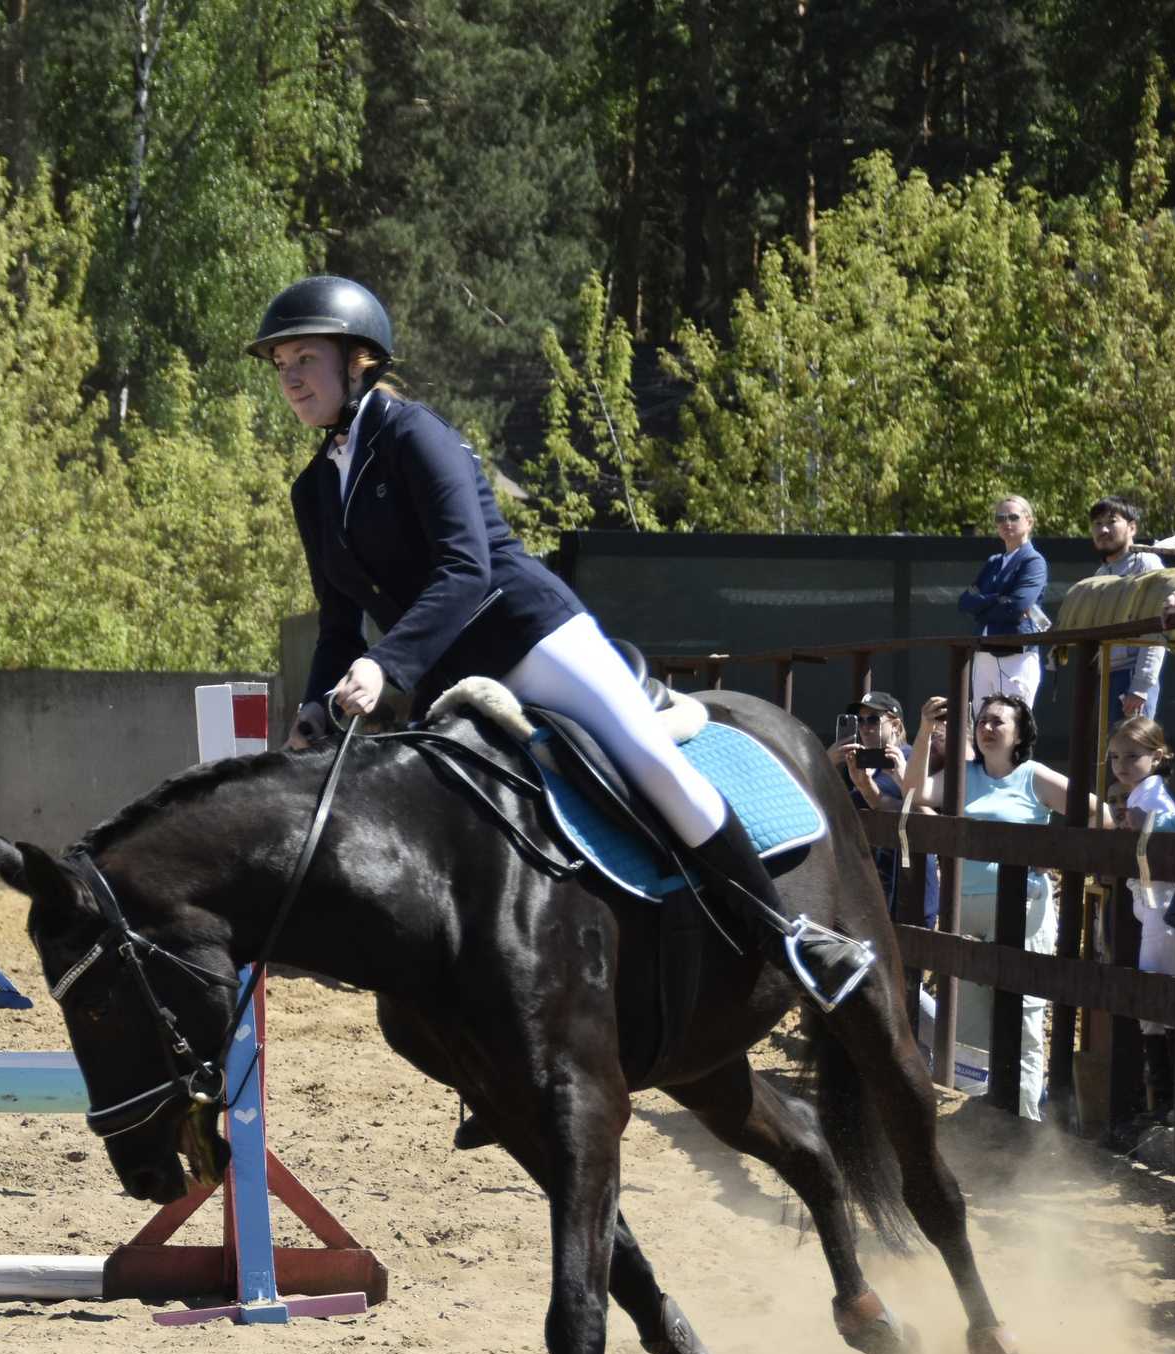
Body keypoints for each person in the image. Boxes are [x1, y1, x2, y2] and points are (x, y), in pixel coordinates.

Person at [255, 273, 873, 1007]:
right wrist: (315, 709)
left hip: (530, 637)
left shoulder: (413, 434)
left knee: (647, 759)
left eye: (305, 359)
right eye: (282, 365)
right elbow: (336, 625)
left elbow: (465, 565)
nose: (291, 378)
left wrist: (386, 663)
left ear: (358, 358)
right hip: (448, 677)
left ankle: (790, 934)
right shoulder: (313, 490)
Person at [902, 693, 1075, 1111]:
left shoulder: (1036, 777)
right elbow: (915, 791)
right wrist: (925, 730)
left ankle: (1026, 1127)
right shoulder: (963, 775)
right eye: (982, 720)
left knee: (1024, 1022)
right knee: (970, 1028)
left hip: (1023, 913)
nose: (987, 727)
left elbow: (1099, 814)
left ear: (1020, 734)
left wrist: (1049, 856)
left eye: (998, 721)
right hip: (964, 911)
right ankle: (985, 1125)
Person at [1103, 715, 1175, 1125]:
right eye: (1116, 756)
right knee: (1152, 1005)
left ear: (1157, 756)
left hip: (1162, 908)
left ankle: (1172, 1100)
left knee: (1161, 1001)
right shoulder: (1139, 797)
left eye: (1132, 755)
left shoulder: (1154, 801)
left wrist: (1143, 828)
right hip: (1148, 904)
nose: (1121, 764)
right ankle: (1163, 1099)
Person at [824, 689, 937, 924]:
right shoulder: (855, 767)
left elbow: (869, 803)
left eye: (873, 720)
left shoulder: (909, 760)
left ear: (895, 724)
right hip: (869, 880)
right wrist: (827, 762)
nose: (865, 727)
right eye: (860, 721)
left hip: (908, 878)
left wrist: (870, 785)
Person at [960, 496, 1049, 713]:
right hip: (984, 654)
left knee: (1012, 725)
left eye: (1013, 516)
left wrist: (982, 607)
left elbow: (1016, 607)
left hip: (1016, 653)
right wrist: (996, 598)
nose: (1006, 522)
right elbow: (964, 603)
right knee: (982, 725)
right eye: (1000, 518)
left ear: (1029, 522)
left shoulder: (1033, 561)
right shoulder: (993, 562)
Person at [1090, 496, 1165, 719]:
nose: (1103, 529)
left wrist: (1141, 685)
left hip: (1132, 677)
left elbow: (1157, 627)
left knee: (1135, 750)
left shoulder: (1146, 563)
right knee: (1110, 753)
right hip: (1105, 676)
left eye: (1112, 521)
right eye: (1097, 523)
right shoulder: (1100, 574)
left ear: (1132, 527)